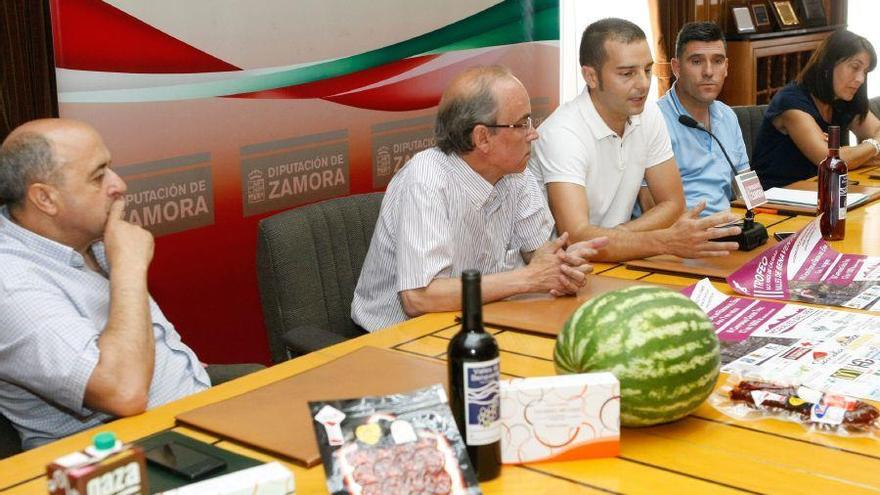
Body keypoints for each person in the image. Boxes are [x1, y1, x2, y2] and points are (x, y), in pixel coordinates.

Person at [0, 119, 210, 449]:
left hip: (192, 412)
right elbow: (124, 392)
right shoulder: (10, 284)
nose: (119, 185)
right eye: (99, 176)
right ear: (45, 199)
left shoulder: (86, 235)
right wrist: (128, 267)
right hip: (121, 458)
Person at [351, 66, 608, 332]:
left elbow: (537, 254)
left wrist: (561, 263)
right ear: (482, 138)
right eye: (522, 124)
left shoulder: (515, 173)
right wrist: (528, 278)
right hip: (399, 340)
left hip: (483, 322)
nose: (533, 134)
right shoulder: (426, 180)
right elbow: (419, 297)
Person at [528, 18, 740, 262]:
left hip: (621, 257)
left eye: (647, 70)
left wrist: (621, 235)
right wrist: (664, 241)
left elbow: (672, 203)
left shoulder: (647, 114)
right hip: (564, 269)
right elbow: (576, 236)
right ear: (591, 76)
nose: (643, 84)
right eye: (627, 73)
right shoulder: (563, 133)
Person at [753, 29, 880, 189]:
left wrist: (856, 153)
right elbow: (831, 161)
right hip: (777, 201)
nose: (861, 79)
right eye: (855, 67)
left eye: (865, 72)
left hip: (822, 191)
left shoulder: (844, 100)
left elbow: (877, 131)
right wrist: (873, 146)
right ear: (829, 64)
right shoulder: (791, 102)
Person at [657, 21, 750, 215]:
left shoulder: (728, 117)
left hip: (730, 228)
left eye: (717, 61)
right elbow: (653, 208)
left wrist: (760, 223)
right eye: (697, 61)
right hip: (683, 236)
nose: (708, 72)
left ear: (726, 67)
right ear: (676, 67)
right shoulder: (655, 121)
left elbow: (748, 188)